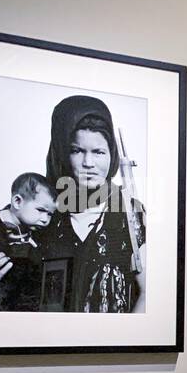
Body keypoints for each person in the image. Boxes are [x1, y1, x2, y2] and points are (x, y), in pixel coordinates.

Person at [36, 95, 145, 313]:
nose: (88, 163)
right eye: (77, 151)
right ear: (62, 152)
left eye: (98, 152)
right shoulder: (44, 213)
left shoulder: (129, 212)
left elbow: (149, 294)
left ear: (111, 154)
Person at [0, 172, 55, 311]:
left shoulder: (38, 235)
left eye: (50, 214)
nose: (45, 219)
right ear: (17, 202)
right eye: (41, 210)